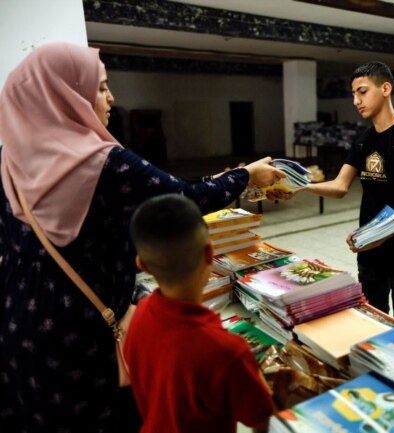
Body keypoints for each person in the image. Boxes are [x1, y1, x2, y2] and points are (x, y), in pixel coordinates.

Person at [0, 42, 283, 433]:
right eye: (100, 87)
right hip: (78, 334)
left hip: (18, 322)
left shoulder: (9, 159)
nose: (111, 97)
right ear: (67, 95)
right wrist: (247, 176)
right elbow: (183, 198)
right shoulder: (102, 163)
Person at [287, 61, 394, 321]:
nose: (356, 100)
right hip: (369, 249)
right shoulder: (362, 139)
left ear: (385, 88)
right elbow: (340, 186)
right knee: (372, 317)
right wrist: (300, 187)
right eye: (353, 93)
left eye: (362, 91)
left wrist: (380, 237)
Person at [126, 194, 274, 433]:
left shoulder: (139, 315)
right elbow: (261, 420)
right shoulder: (226, 351)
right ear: (209, 255)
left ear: (141, 265)